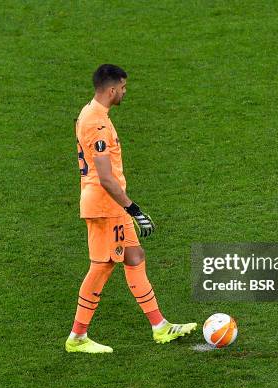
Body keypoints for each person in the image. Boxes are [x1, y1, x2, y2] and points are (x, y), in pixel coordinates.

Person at [65, 64, 196, 353]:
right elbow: (105, 177)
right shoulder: (96, 122)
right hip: (104, 204)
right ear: (112, 89)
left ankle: (160, 327)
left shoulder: (91, 113)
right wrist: (133, 209)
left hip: (108, 204)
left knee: (134, 256)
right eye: (123, 87)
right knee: (102, 266)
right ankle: (77, 337)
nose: (125, 92)